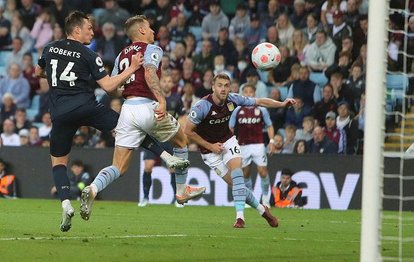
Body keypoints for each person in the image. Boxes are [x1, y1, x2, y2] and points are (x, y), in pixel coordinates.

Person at [35, 11, 186, 232]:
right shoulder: (88, 54)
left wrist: (59, 80)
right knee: (127, 125)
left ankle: (66, 204)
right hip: (86, 107)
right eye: (88, 27)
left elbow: (40, 71)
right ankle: (166, 156)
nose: (91, 31)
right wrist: (134, 68)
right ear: (76, 30)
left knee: (58, 163)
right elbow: (108, 86)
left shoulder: (49, 48)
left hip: (59, 113)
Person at [80, 15, 206, 222]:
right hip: (148, 106)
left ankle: (93, 188)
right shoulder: (151, 49)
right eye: (150, 28)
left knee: (119, 167)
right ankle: (182, 190)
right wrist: (162, 100)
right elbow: (149, 73)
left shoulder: (121, 55)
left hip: (127, 111)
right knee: (182, 140)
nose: (153, 32)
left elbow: (112, 88)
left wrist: (129, 87)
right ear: (141, 31)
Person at [184, 73, 296, 228]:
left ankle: (240, 218)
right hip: (209, 151)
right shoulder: (202, 106)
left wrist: (282, 104)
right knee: (238, 186)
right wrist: (210, 146)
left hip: (228, 141)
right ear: (213, 87)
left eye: (226, 85)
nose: (223, 89)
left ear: (230, 87)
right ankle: (263, 211)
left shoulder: (233, 99)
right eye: (220, 85)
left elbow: (259, 101)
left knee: (238, 175)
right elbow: (187, 131)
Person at [138, 74, 186, 208]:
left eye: (169, 81)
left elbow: (182, 117)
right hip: (153, 136)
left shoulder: (176, 98)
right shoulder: (153, 97)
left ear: (172, 84)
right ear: (160, 83)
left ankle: (177, 198)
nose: (166, 83)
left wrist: (180, 133)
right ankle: (146, 197)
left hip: (169, 138)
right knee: (148, 166)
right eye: (164, 81)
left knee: (172, 169)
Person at [229, 84, 275, 208]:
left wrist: (271, 141)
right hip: (242, 145)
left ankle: (265, 197)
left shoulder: (261, 109)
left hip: (258, 145)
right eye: (246, 92)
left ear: (254, 93)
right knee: (245, 173)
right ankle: (250, 198)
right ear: (242, 94)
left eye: (251, 91)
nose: (248, 94)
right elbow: (231, 128)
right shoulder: (237, 110)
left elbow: (269, 125)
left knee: (263, 171)